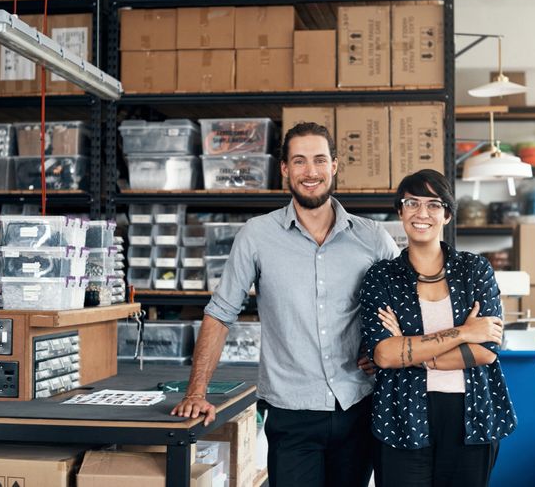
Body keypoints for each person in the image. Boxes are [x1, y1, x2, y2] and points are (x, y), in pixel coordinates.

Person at [171, 122, 399, 487]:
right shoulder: (257, 235)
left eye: (320, 160)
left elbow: (408, 302)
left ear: (334, 166)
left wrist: (386, 350)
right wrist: (196, 393)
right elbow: (220, 312)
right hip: (291, 413)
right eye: (300, 161)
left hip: (358, 406)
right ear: (284, 169)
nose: (311, 172)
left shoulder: (372, 237)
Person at [359, 169, 517, 487]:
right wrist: (463, 333)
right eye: (412, 203)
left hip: (470, 414)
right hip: (401, 413)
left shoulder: (475, 270)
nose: (422, 213)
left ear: (446, 214)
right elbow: (384, 355)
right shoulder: (381, 276)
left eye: (433, 204)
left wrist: (409, 348)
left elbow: (486, 350)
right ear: (400, 211)